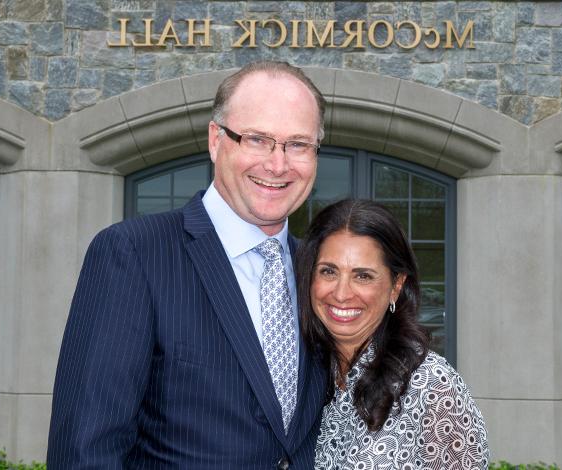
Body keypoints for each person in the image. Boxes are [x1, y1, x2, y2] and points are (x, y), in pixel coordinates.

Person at [47, 61, 327, 469]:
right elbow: (85, 449)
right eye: (257, 139)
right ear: (216, 140)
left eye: (298, 144)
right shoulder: (133, 255)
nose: (278, 164)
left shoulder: (319, 275)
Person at [296, 199, 489, 470]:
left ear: (396, 286)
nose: (340, 293)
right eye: (329, 271)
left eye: (363, 276)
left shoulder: (431, 386)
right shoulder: (303, 375)